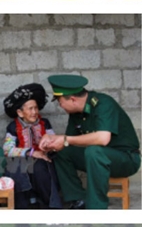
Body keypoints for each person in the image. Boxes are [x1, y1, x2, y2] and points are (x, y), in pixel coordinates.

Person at [41, 74, 141, 209]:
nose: (61, 107)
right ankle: (78, 200)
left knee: (94, 151)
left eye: (60, 102)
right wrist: (52, 140)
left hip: (126, 159)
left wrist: (65, 139)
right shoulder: (76, 113)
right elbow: (70, 141)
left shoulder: (103, 104)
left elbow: (103, 139)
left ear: (73, 99)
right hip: (98, 157)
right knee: (62, 151)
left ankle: (96, 208)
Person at [1, 83, 62, 209]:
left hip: (43, 160)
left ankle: (49, 206)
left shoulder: (45, 123)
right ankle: (27, 205)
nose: (34, 112)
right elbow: (7, 150)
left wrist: (49, 145)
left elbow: (54, 141)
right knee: (19, 168)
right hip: (21, 162)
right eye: (30, 109)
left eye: (36, 108)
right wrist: (31, 152)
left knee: (40, 168)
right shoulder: (13, 127)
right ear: (20, 112)